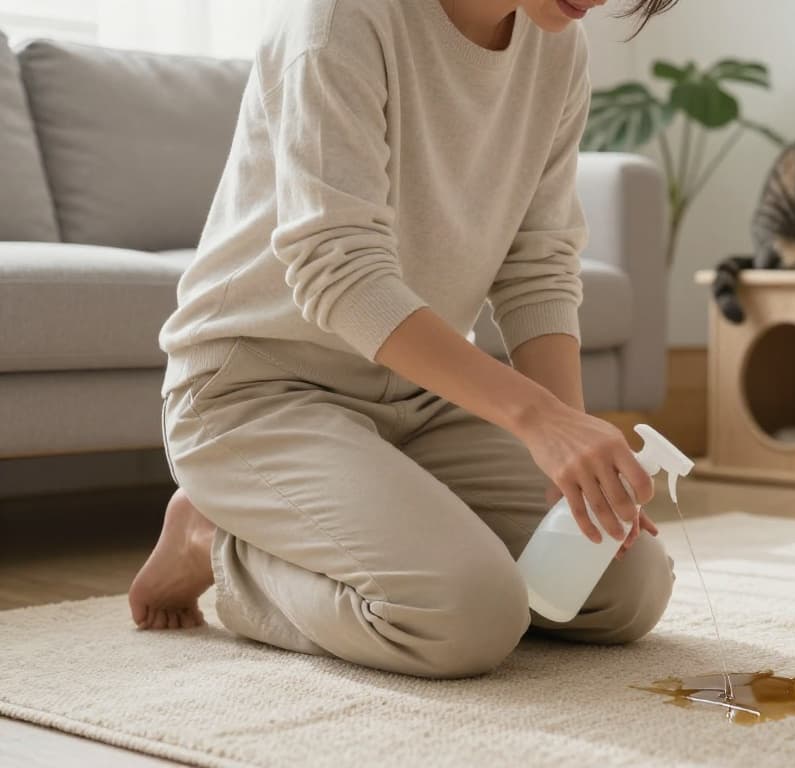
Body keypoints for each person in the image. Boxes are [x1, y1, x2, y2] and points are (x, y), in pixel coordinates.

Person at [129, 0, 679, 679]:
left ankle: (346, 528)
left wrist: (565, 450)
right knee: (465, 618)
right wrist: (535, 418)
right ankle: (214, 540)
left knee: (622, 591)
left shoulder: (555, 45)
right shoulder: (341, 17)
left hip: (422, 396)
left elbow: (536, 266)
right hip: (258, 392)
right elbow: (340, 272)